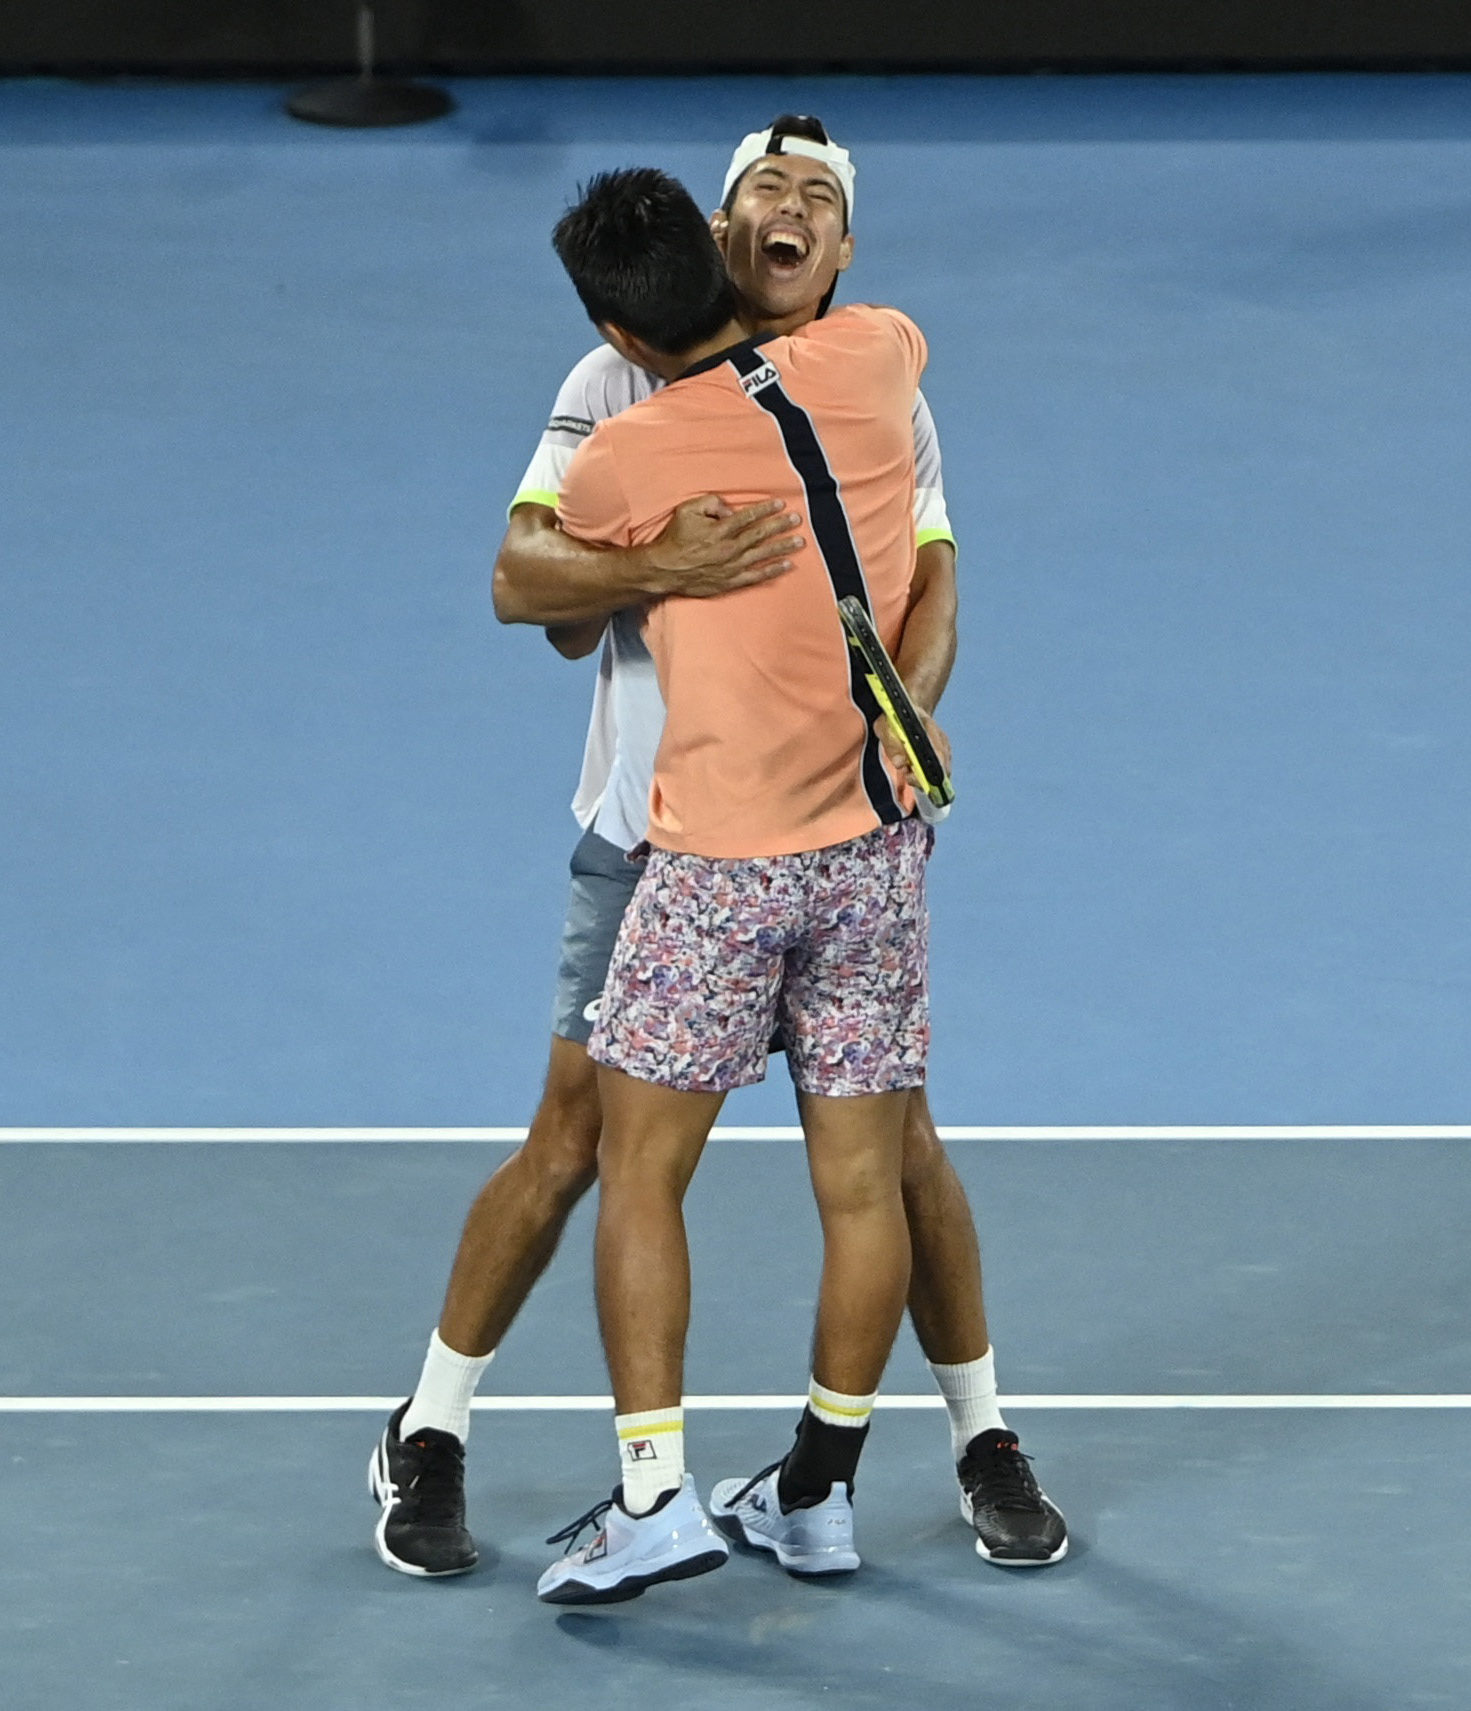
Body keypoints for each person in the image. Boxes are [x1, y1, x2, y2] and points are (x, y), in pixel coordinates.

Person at [368, 117, 1063, 1584]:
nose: (790, 208)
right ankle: (428, 1432)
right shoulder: (613, 384)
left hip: (837, 833)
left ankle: (979, 1436)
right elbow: (541, 592)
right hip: (647, 843)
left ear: (844, 247)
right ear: (718, 231)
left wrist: (897, 719)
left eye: (821, 195)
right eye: (764, 189)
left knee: (900, 1156)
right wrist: (666, 560)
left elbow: (931, 574)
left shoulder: (870, 378)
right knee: (574, 1147)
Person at [532, 162, 959, 1604]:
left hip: (717, 870)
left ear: (626, 341)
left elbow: (526, 589)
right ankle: (818, 1499)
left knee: (641, 1171)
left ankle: (654, 1496)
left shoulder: (628, 458)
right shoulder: (881, 351)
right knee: (863, 1191)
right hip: (874, 857)